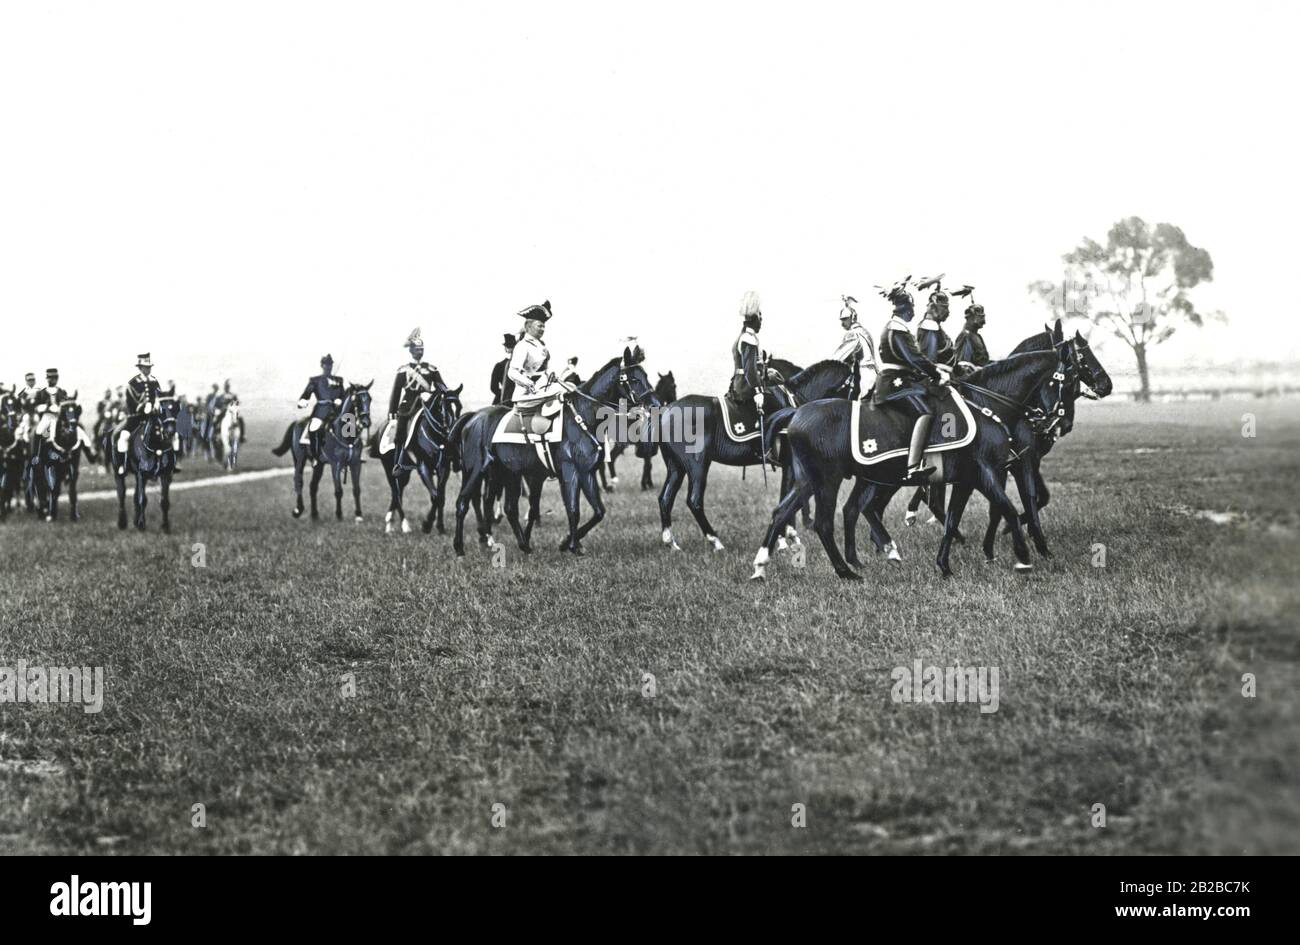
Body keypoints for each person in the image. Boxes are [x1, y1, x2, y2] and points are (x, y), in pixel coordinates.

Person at [872, 280, 948, 482]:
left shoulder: (893, 327)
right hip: (894, 384)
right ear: (905, 309)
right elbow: (914, 358)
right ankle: (913, 466)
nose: (914, 312)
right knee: (925, 412)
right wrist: (937, 374)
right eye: (912, 308)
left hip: (896, 381)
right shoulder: (898, 329)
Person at [384, 328, 447, 472]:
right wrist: (392, 414)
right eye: (417, 349)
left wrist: (432, 394)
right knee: (400, 432)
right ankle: (399, 463)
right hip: (409, 406)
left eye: (421, 349)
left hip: (427, 405)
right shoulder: (403, 370)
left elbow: (442, 387)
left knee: (443, 427)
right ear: (411, 351)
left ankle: (451, 458)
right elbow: (396, 393)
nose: (420, 351)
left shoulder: (431, 369)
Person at [114, 353, 179, 474]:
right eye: (145, 367)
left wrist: (156, 406)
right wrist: (142, 408)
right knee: (123, 436)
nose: (148, 369)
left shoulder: (154, 381)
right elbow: (130, 402)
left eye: (149, 367)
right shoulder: (132, 383)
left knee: (170, 434)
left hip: (153, 416)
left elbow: (158, 397)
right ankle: (123, 464)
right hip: (136, 417)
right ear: (140, 368)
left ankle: (172, 462)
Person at [507, 301, 559, 410]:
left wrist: (553, 376)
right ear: (528, 326)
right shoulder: (522, 346)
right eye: (539, 326)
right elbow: (512, 372)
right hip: (527, 395)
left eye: (544, 326)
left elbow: (546, 369)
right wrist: (529, 384)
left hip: (543, 390)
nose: (543, 329)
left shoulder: (541, 346)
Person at [297, 355, 345, 462]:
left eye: (330, 365)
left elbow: (343, 395)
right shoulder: (315, 380)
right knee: (314, 428)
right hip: (321, 412)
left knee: (350, 424)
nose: (328, 367)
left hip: (336, 412)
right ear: (322, 366)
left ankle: (352, 454)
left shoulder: (338, 380)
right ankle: (315, 455)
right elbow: (306, 395)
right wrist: (303, 401)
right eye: (326, 365)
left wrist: (340, 400)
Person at [830, 294, 877, 399]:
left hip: (864, 375)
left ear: (853, 318)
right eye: (841, 320)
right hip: (871, 372)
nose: (842, 323)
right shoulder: (864, 331)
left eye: (845, 319)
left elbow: (839, 358)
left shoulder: (853, 334)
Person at [729, 291, 764, 406]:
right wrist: (757, 391)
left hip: (742, 384)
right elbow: (750, 370)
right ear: (754, 318)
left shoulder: (743, 336)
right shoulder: (748, 339)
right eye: (760, 315)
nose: (761, 320)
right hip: (746, 386)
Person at [914, 275, 955, 366]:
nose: (947, 312)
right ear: (933, 308)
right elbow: (930, 360)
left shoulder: (935, 326)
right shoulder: (930, 326)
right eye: (944, 308)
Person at [30, 368, 69, 463]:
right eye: (50, 378)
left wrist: (60, 408)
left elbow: (66, 405)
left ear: (57, 378)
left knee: (76, 429)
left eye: (54, 378)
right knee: (38, 431)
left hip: (59, 418)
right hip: (47, 417)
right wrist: (45, 407)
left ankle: (76, 453)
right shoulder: (41, 393)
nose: (52, 380)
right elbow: (36, 407)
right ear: (47, 379)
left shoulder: (62, 392)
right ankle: (36, 455)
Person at [951, 286, 990, 372]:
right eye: (979, 317)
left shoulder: (978, 336)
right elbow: (964, 366)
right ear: (971, 317)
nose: (983, 321)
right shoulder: (965, 336)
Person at [490, 333, 517, 406]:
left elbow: (493, 388)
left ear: (506, 348)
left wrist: (504, 394)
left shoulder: (499, 365)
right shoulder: (521, 364)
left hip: (503, 399)